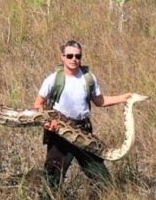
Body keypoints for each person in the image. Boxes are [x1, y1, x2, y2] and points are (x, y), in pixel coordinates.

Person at [33, 40, 132, 195]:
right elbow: (38, 104)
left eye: (78, 56)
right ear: (62, 57)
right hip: (59, 132)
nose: (74, 59)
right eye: (70, 55)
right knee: (52, 179)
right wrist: (48, 122)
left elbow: (100, 101)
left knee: (101, 178)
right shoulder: (53, 79)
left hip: (83, 132)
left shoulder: (88, 78)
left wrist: (124, 98)